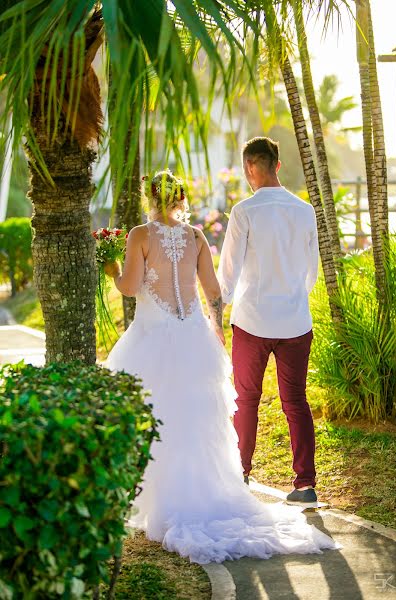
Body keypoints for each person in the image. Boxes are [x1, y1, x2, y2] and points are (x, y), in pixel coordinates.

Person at [104, 169, 339, 564]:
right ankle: (203, 493)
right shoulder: (195, 236)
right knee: (196, 419)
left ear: (149, 197)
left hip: (152, 337)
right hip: (192, 336)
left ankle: (157, 499)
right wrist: (216, 327)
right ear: (179, 197)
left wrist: (112, 269)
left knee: (154, 415)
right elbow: (212, 291)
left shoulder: (139, 235)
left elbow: (129, 288)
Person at [218, 136, 319, 506]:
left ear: (249, 168)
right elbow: (312, 273)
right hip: (295, 321)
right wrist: (292, 295)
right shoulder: (303, 210)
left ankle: (240, 476)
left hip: (253, 322)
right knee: (295, 400)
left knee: (246, 399)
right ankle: (305, 484)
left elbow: (228, 273)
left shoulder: (244, 211)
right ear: (277, 165)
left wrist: (218, 312)